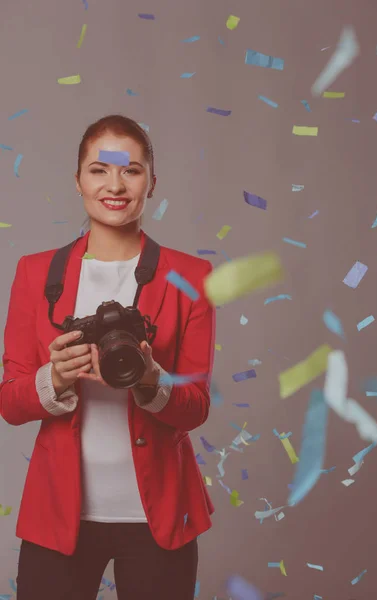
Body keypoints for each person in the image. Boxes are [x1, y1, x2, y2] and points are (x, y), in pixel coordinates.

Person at [0, 115, 216, 600]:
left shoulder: (191, 277)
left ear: (151, 183)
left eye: (131, 171)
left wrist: (150, 380)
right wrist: (53, 378)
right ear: (78, 180)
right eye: (99, 170)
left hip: (161, 514)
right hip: (58, 515)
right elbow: (10, 404)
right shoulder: (35, 274)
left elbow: (196, 407)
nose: (115, 185)